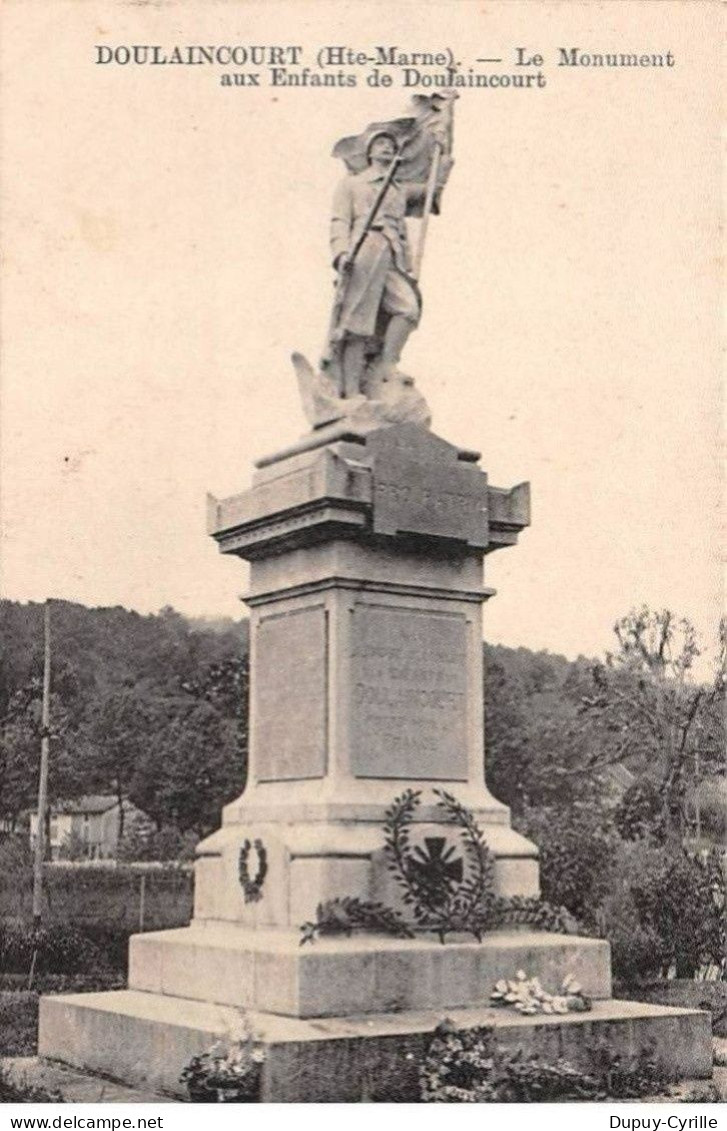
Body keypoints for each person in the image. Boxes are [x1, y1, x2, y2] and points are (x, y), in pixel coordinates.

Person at [328, 132, 421, 399]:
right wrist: (341, 253)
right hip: (365, 250)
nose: (387, 148)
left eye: (391, 145)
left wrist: (443, 154)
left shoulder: (397, 189)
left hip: (392, 254)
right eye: (381, 144)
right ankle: (351, 391)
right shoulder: (352, 184)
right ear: (369, 152)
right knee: (358, 321)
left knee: (408, 309)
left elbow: (429, 191)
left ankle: (386, 365)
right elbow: (340, 221)